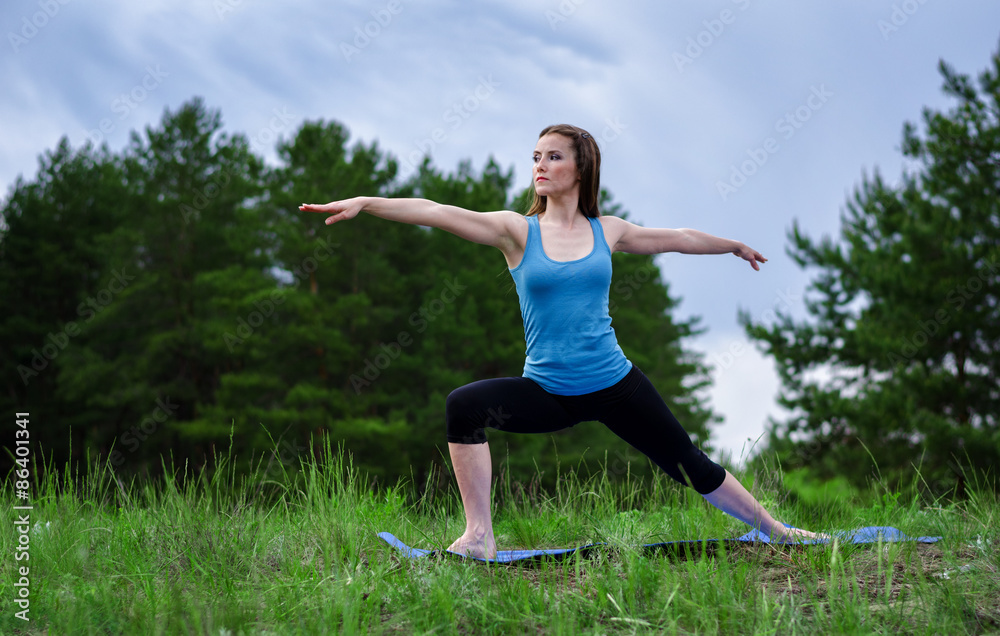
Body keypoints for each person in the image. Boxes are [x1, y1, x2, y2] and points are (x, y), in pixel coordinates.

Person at [300, 123, 820, 559]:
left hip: (616, 383)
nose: (540, 166)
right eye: (535, 157)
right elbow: (437, 211)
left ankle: (778, 532)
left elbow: (678, 238)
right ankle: (479, 536)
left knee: (689, 463)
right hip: (549, 391)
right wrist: (368, 202)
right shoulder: (516, 231)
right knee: (464, 406)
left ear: (581, 168)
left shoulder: (607, 230)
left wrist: (731, 246)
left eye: (553, 157)